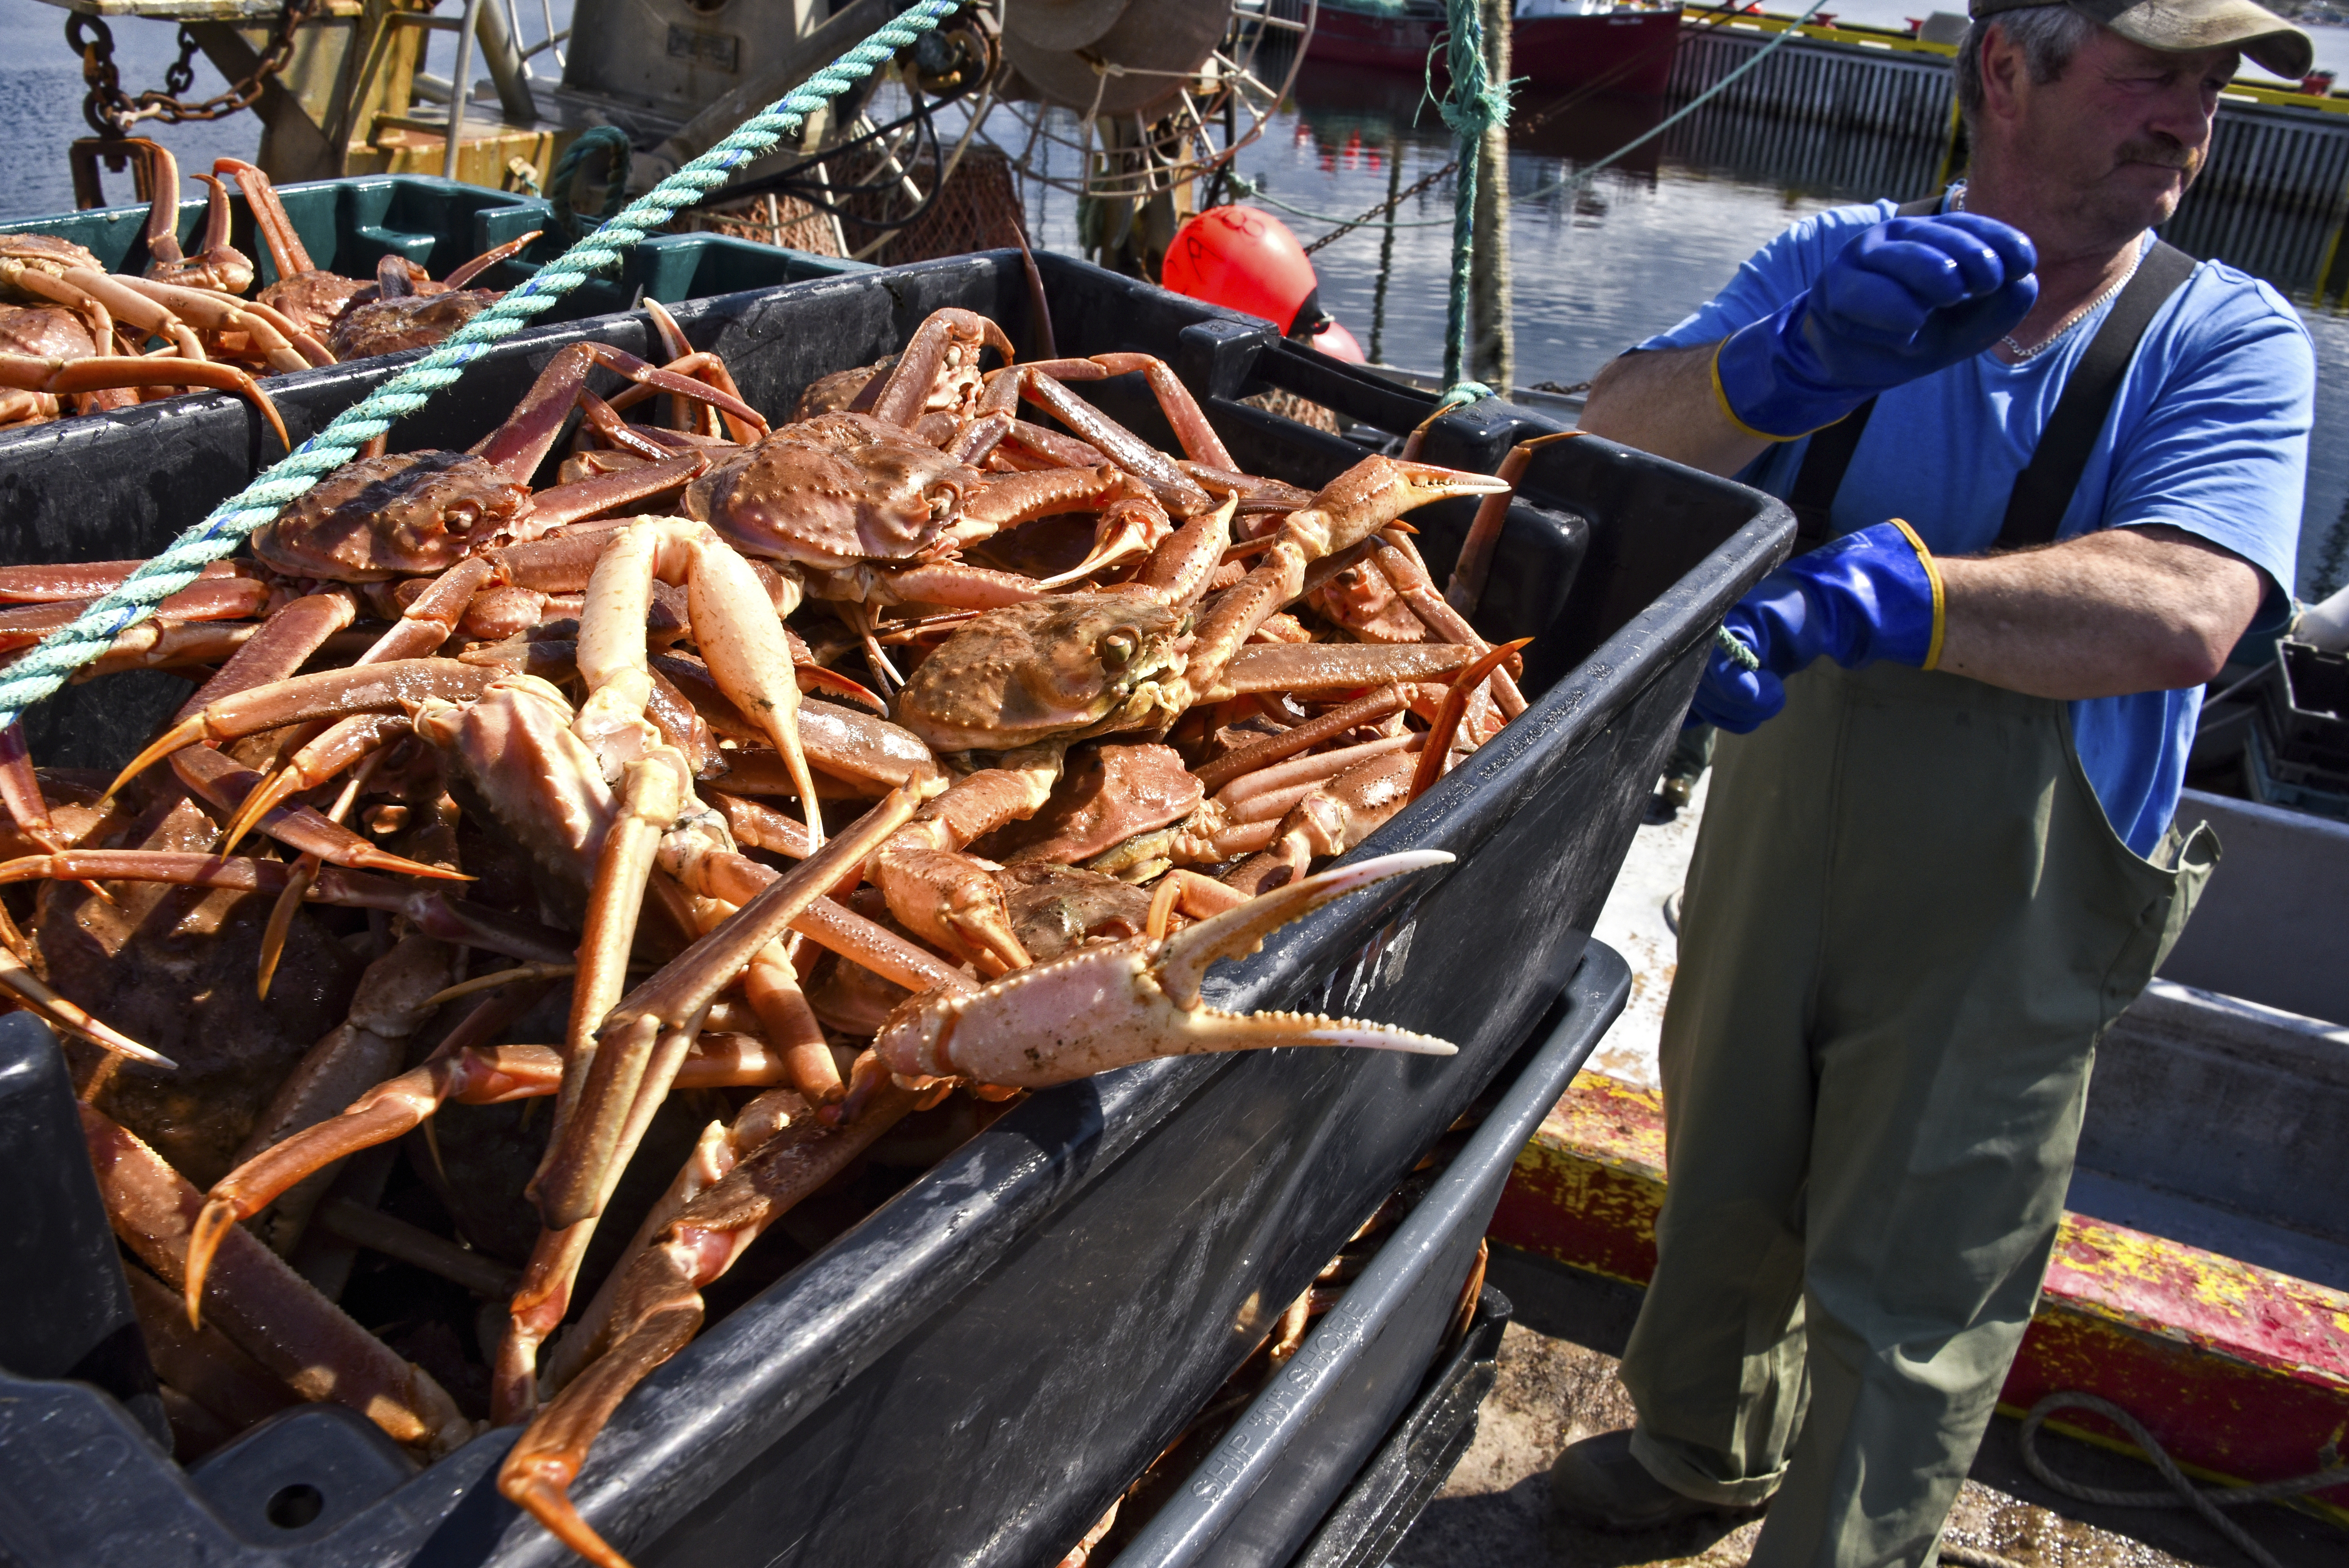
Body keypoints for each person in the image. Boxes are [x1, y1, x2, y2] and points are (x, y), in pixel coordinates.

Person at [1545, 0, 2316, 1563]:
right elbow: (1607, 437)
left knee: (1921, 1277)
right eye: (2151, 75)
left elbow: (2186, 610)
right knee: (1723, 1173)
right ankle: (1698, 1450)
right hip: (1776, 825)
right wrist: (1780, 366)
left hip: (2017, 898)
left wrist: (1901, 598)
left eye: (2211, 90)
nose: (2189, 121)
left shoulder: (2222, 335)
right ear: (2007, 69)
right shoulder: (1838, 264)